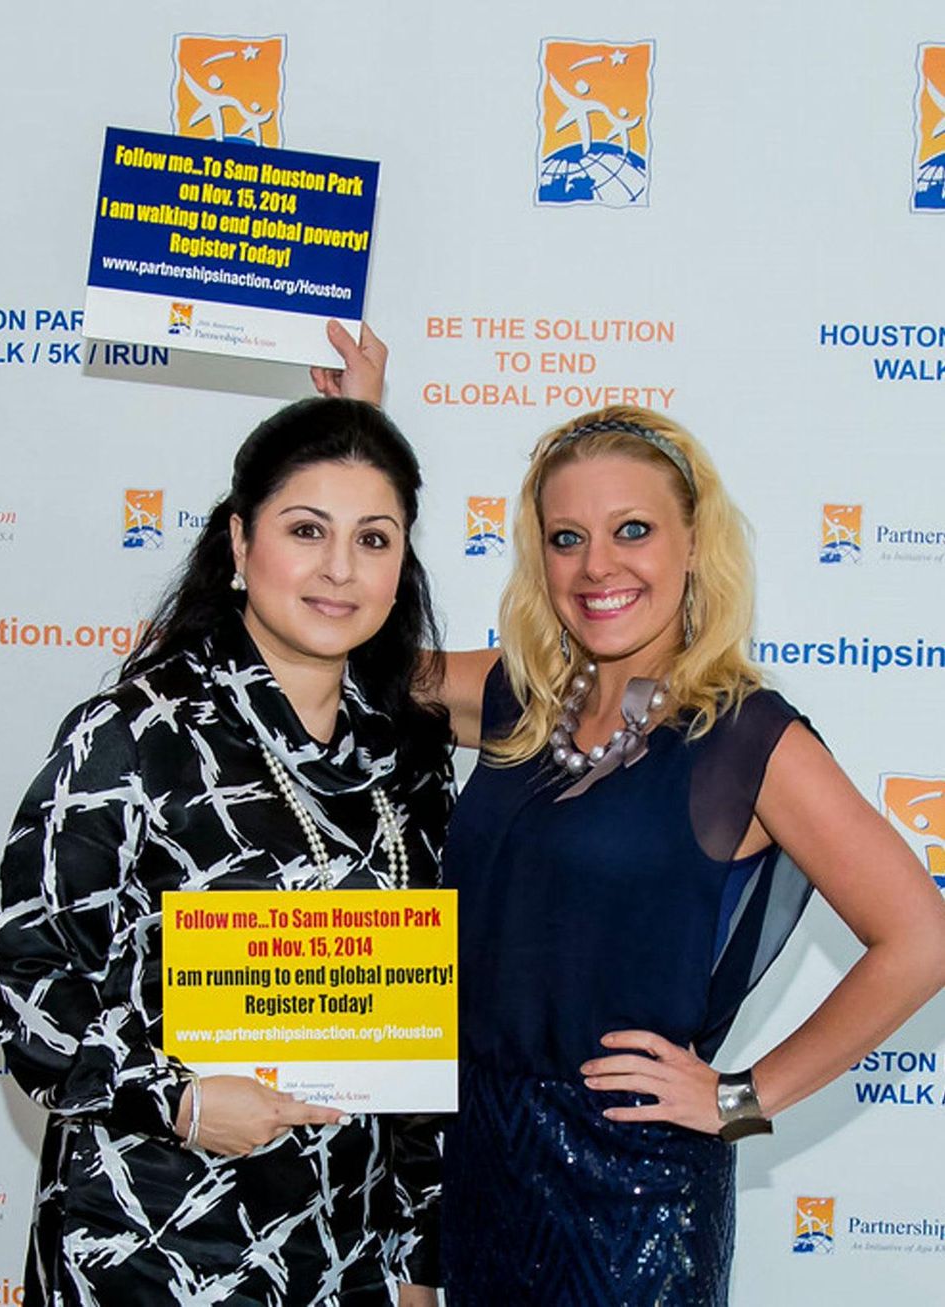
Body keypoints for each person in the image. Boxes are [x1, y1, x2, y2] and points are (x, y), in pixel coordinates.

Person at [315, 327, 945, 1303]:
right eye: (565, 537)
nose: (595, 565)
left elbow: (919, 936)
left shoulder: (746, 739)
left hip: (633, 1198)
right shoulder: (519, 693)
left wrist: (740, 1097)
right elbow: (357, 652)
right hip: (480, 1159)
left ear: (693, 540)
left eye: (631, 530)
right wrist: (357, 432)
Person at [0, 395, 451, 1307]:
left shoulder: (411, 761)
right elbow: (27, 976)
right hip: (151, 1239)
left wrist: (417, 1258)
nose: (339, 568)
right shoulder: (135, 734)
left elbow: (415, 1044)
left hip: (343, 1250)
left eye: (374, 538)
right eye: (306, 529)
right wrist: (178, 1099)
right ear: (239, 545)